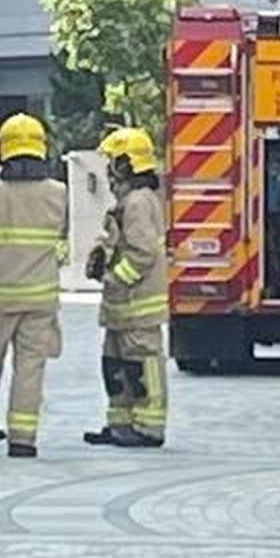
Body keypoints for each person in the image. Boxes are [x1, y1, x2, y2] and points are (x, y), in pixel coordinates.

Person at [0, 117, 68, 457]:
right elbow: (60, 236)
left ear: (3, 151)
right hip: (40, 300)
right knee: (30, 369)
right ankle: (23, 439)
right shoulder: (58, 194)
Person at [87, 126, 169, 446]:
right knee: (115, 365)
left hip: (137, 304)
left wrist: (115, 279)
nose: (109, 170)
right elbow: (118, 241)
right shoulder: (131, 201)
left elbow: (143, 252)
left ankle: (148, 427)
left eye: (113, 162)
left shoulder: (137, 202)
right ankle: (120, 423)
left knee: (140, 364)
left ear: (126, 164)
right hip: (124, 307)